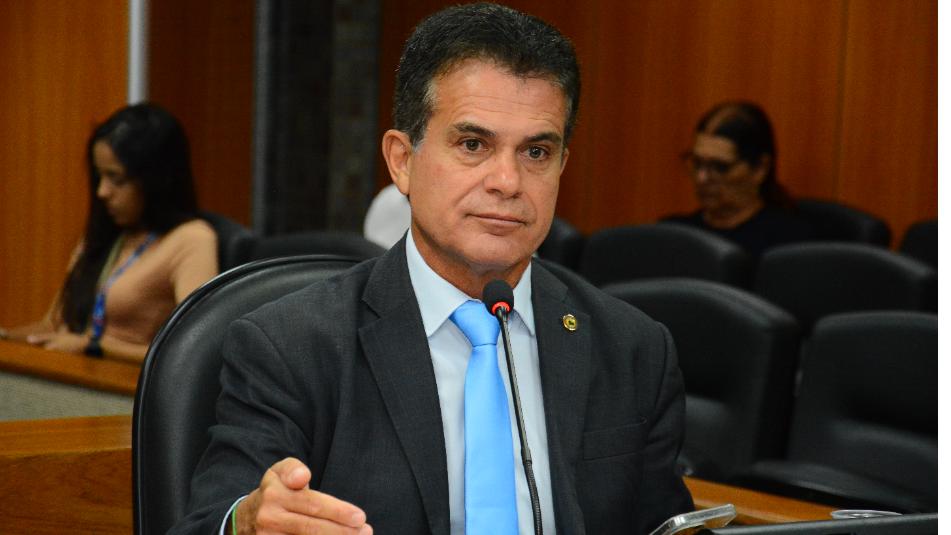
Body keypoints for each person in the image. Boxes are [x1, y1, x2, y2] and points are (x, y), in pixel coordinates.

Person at [174, 3, 693, 534]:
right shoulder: (292, 346)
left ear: (562, 165)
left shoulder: (632, 349)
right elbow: (210, 521)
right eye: (473, 144)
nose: (508, 181)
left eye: (536, 152)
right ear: (402, 161)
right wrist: (245, 523)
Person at [0, 103, 219, 363]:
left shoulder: (192, 239)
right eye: (99, 176)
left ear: (156, 180)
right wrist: (6, 337)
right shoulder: (107, 234)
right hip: (66, 375)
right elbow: (52, 328)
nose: (102, 192)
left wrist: (95, 347)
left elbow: (194, 352)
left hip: (120, 383)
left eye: (117, 179)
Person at [664, 101, 814, 257]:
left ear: (760, 168)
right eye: (697, 163)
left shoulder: (791, 246)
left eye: (720, 167)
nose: (702, 178)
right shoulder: (673, 235)